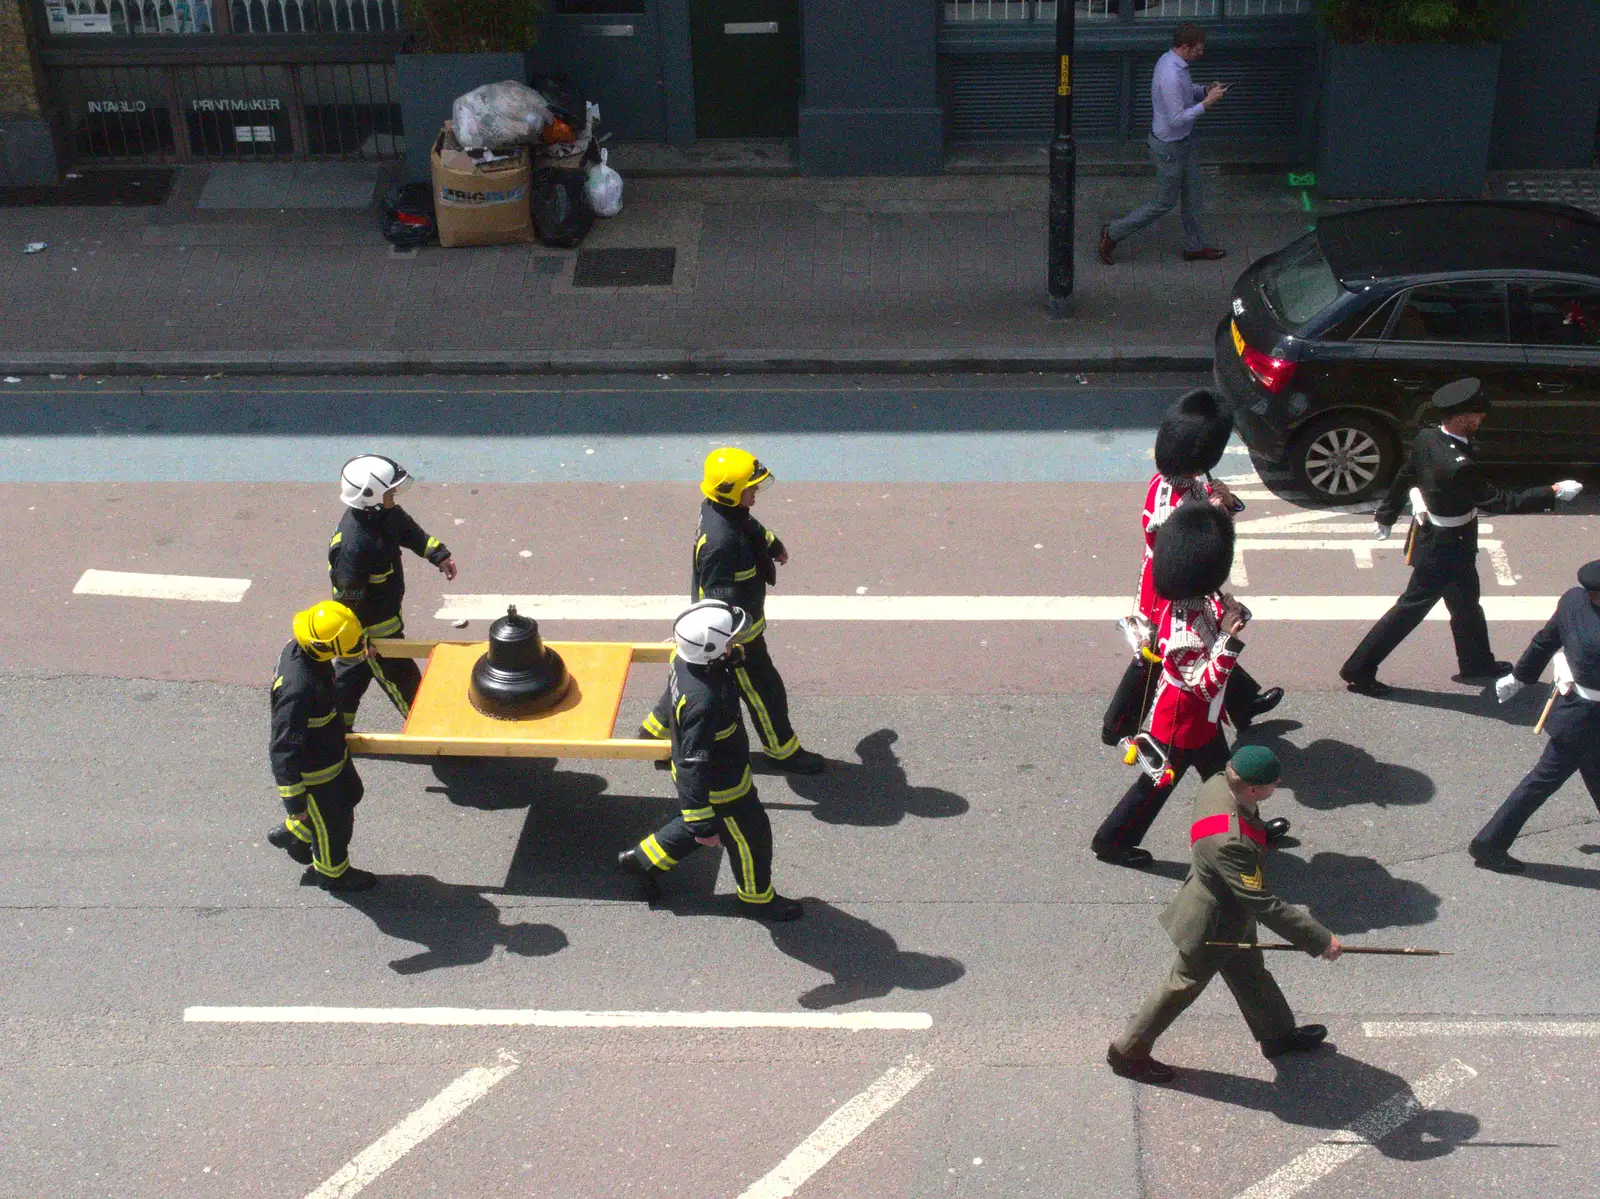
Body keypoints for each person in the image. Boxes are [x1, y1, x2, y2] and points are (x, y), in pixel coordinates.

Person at [1108, 746, 1342, 1084]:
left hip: (1229, 911)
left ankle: (1277, 1035)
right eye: (1271, 783)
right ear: (1251, 789)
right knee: (1183, 984)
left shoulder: (1219, 784)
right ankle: (1127, 1052)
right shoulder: (1232, 843)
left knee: (1250, 974)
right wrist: (1320, 939)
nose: (1276, 784)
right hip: (1213, 920)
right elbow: (1262, 902)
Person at [1340, 379, 1583, 696]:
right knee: (1409, 611)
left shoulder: (1429, 437)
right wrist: (1552, 493)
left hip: (1449, 538)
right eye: (1476, 414)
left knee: (1466, 603)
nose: (1481, 419)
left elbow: (1406, 473)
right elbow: (1501, 501)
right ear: (1459, 417)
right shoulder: (1458, 466)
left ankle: (1476, 662)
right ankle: (1358, 668)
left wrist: (1386, 514)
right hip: (1445, 547)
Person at [1093, 503, 1289, 867]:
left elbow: (1224, 621)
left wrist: (1233, 613)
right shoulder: (1183, 628)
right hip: (1182, 719)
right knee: (1156, 786)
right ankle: (1111, 842)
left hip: (1201, 718)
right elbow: (1203, 684)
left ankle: (1252, 831)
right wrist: (1229, 641)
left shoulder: (1195, 599)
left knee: (1226, 776)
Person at [1102, 389, 1282, 747]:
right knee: (1161, 658)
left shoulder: (1180, 483)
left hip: (1186, 578)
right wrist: (1216, 513)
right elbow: (1191, 549)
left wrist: (1225, 504)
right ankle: (1118, 721)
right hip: (1174, 588)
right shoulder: (1175, 503)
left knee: (1207, 640)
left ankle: (1243, 703)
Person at [640, 448, 824, 774]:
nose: (755, 494)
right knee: (765, 691)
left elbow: (749, 526)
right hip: (736, 638)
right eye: (750, 489)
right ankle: (783, 750)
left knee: (693, 675)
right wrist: (728, 644)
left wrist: (771, 543)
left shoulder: (723, 512)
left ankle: (654, 734)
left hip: (728, 634)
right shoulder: (721, 544)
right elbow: (715, 600)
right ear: (730, 492)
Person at [619, 600, 804, 922]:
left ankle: (642, 860)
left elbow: (668, 703)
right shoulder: (705, 701)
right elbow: (694, 762)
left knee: (710, 824)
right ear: (711, 649)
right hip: (723, 784)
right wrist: (699, 820)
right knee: (751, 835)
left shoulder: (683, 658)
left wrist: (649, 733)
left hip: (710, 775)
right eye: (731, 640)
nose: (736, 642)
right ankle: (757, 899)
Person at [1470, 560, 1600, 873]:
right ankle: (1489, 844)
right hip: (1588, 722)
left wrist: (1520, 677)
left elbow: (1545, 641)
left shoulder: (1572, 599)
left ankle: (1489, 843)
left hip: (1575, 714)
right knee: (1541, 782)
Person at [327, 454, 458, 723]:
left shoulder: (381, 514)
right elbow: (349, 599)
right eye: (390, 490)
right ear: (370, 497)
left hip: (381, 619)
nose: (395, 494)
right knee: (403, 677)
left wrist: (438, 555)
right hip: (372, 630)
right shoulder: (356, 546)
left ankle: (336, 729)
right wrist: (360, 641)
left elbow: (410, 532)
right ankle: (424, 726)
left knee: (351, 678)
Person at [267, 601, 378, 892]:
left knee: (353, 792)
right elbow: (283, 751)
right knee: (335, 824)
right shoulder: (298, 691)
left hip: (330, 751)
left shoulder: (300, 649)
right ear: (324, 648)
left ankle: (296, 834)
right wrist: (295, 802)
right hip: (316, 772)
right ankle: (332, 874)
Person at [1098, 23, 1229, 266]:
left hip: (1183, 142)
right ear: (1185, 47)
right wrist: (1207, 103)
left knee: (1193, 195)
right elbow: (1176, 117)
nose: (1202, 53)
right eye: (1199, 49)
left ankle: (1194, 247)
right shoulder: (1170, 74)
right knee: (1163, 203)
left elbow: (1184, 93)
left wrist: (1202, 90)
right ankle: (1113, 233)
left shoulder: (1176, 64)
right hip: (1169, 148)